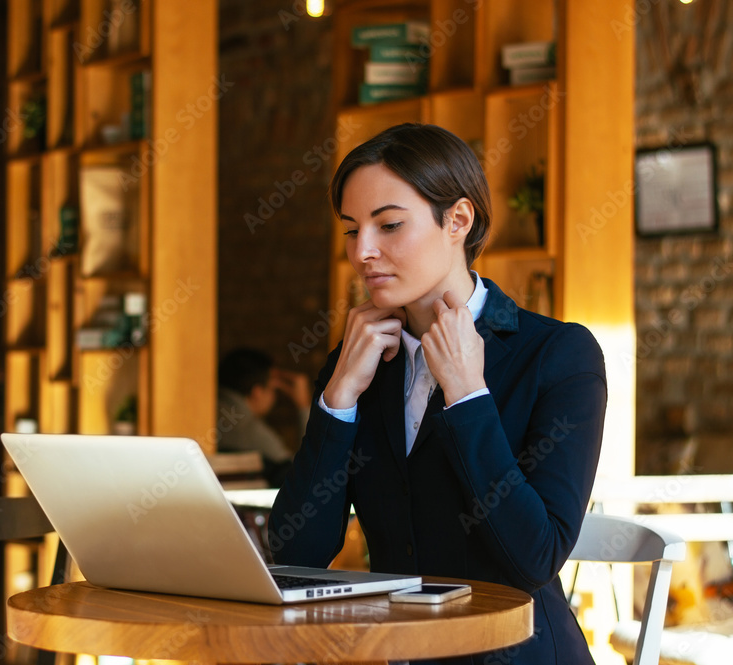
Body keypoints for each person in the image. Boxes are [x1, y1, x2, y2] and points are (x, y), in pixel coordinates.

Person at [269, 123, 607, 665]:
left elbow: (533, 559)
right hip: (393, 653)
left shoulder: (559, 356)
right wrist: (338, 400)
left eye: (390, 225)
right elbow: (295, 553)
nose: (364, 252)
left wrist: (468, 396)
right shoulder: (356, 363)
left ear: (458, 219)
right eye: (352, 231)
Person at [217, 347, 311, 488]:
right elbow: (304, 472)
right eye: (273, 389)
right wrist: (304, 406)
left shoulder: (204, 410)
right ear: (257, 393)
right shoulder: (248, 429)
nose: (275, 397)